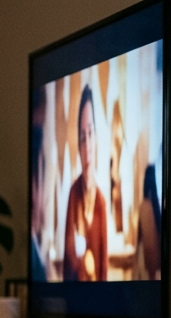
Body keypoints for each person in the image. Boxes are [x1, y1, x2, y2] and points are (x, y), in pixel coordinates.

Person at [64, 84, 109, 282]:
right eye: (82, 137)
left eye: (90, 133)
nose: (87, 145)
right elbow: (67, 264)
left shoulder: (101, 201)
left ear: (97, 138)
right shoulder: (73, 194)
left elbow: (104, 270)